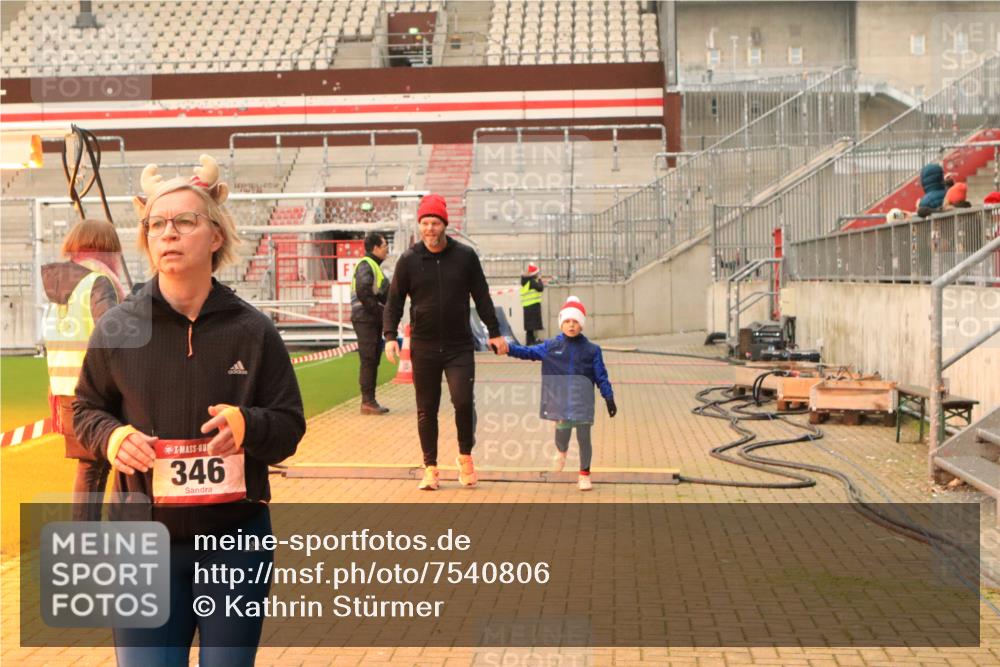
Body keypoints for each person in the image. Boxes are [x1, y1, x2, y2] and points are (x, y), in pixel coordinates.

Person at [73, 154, 305, 667]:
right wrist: (111, 437)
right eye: (157, 224)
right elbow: (84, 410)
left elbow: (289, 425)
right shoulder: (117, 328)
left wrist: (251, 425)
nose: (169, 233)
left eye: (185, 221)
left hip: (235, 544)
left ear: (215, 236)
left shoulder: (253, 330)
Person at [383, 193, 508, 490]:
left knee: (463, 402)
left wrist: (494, 331)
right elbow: (394, 301)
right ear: (419, 225)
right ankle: (430, 467)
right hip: (424, 347)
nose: (430, 229)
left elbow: (482, 295)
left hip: (458, 346)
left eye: (435, 223)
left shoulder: (465, 257)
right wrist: (390, 336)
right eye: (425, 223)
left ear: (444, 225)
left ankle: (465, 457)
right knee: (426, 409)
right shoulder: (409, 260)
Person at [41, 219, 126, 521]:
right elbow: (113, 334)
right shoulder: (97, 282)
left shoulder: (60, 291)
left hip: (64, 389)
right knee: (112, 463)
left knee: (90, 466)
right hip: (95, 391)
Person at [505, 296, 616, 491]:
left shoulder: (592, 350)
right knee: (562, 436)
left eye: (575, 322)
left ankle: (584, 475)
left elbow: (601, 376)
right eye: (567, 321)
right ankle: (561, 451)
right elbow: (527, 352)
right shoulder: (550, 347)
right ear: (561, 324)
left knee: (584, 439)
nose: (571, 325)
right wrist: (508, 349)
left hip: (583, 403)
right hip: (560, 404)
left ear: (581, 325)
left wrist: (609, 397)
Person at [351, 232, 391, 415]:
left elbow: (377, 292)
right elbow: (363, 290)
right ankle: (367, 401)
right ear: (375, 248)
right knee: (369, 359)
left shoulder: (372, 266)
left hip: (368, 317)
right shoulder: (367, 265)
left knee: (372, 359)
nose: (387, 251)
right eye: (385, 247)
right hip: (366, 318)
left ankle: (370, 400)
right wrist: (379, 312)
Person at [520, 262, 544, 345]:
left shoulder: (526, 282)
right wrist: (540, 280)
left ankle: (531, 341)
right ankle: (531, 342)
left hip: (527, 306)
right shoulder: (532, 282)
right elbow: (540, 288)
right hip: (532, 306)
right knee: (532, 325)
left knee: (529, 327)